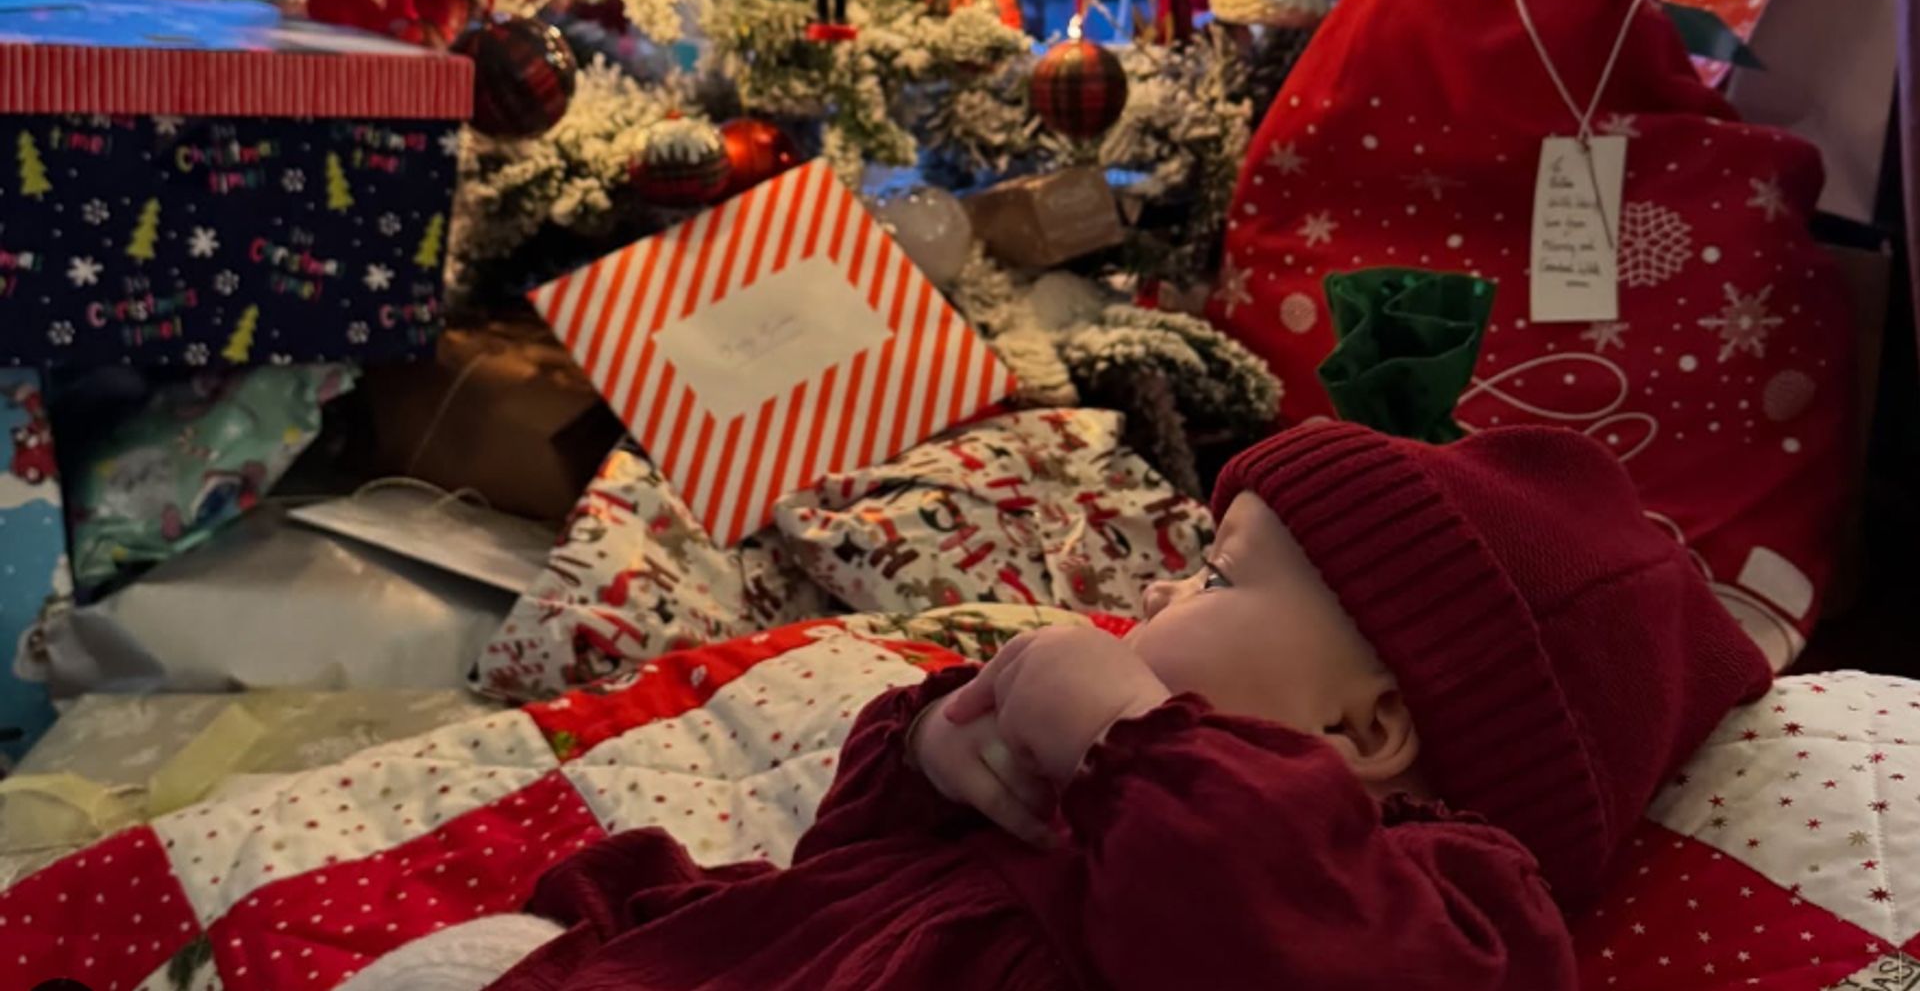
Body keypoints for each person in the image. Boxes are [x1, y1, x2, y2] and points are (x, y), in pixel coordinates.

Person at [348, 421, 1772, 991]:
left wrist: (1132, 737)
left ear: (1368, 730)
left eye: (1214, 578)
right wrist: (934, 751)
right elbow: (843, 868)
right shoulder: (1092, 791)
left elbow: (1297, 946)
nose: (1152, 607)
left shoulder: (1442, 890)